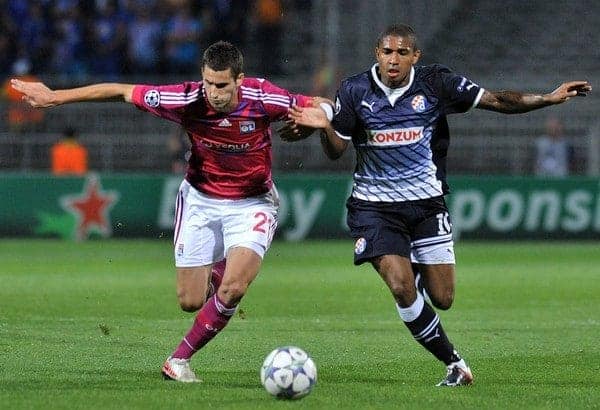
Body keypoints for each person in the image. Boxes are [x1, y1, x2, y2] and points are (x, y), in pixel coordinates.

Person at [286, 24, 592, 387]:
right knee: (401, 287)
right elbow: (338, 150)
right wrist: (325, 127)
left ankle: (411, 266)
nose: (393, 60)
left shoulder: (436, 84)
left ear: (416, 56)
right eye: (387, 52)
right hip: (375, 207)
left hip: (427, 204)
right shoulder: (355, 90)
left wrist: (547, 98)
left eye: (402, 53)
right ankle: (454, 362)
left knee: (443, 298)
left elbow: (498, 101)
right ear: (377, 54)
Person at [12, 40, 322, 383]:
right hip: (201, 201)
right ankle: (223, 275)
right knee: (190, 301)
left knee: (234, 288)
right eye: (209, 83)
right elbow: (121, 91)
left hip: (253, 201)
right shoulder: (187, 99)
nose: (214, 93)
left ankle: (178, 360)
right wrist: (55, 97)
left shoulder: (265, 97)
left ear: (239, 80)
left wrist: (313, 121)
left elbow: (320, 106)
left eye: (222, 85)